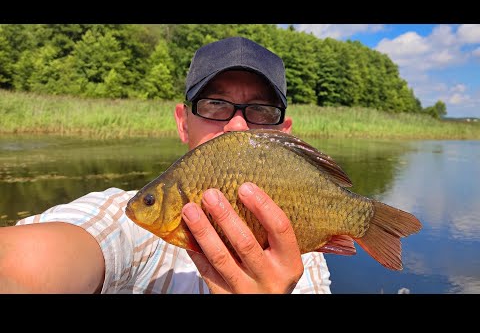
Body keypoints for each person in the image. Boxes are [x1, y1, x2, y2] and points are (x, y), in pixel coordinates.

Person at [0, 36, 331, 294]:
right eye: (215, 104)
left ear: (283, 134)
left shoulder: (305, 253)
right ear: (183, 123)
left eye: (260, 110)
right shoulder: (128, 226)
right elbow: (32, 260)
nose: (237, 126)